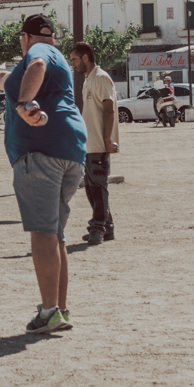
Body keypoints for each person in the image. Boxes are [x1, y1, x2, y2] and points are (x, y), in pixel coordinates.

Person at [0, 13, 86, 336]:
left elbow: (35, 68)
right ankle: (59, 307)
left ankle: (48, 313)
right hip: (71, 151)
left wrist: (24, 103)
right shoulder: (56, 55)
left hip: (40, 152)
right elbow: (6, 78)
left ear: (24, 38)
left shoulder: (39, 53)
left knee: (43, 232)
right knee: (55, 233)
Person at [70, 43, 118, 244]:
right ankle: (107, 228)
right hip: (88, 145)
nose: (73, 64)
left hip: (99, 144)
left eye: (74, 59)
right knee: (91, 189)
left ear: (85, 58)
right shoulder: (88, 80)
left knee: (98, 188)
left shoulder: (101, 78)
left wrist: (108, 139)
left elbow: (109, 109)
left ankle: (97, 228)